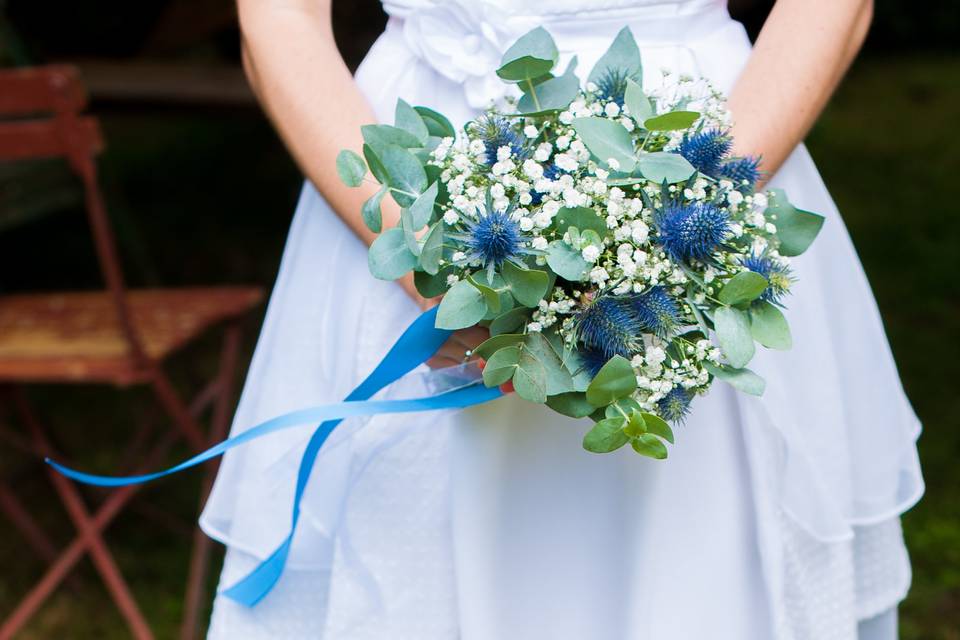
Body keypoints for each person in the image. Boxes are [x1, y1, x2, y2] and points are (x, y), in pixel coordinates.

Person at [201, 0, 923, 638]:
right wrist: (432, 264)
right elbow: (278, 15)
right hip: (404, 172)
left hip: (710, 143)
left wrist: (677, 223)